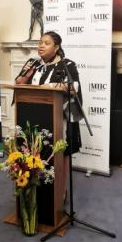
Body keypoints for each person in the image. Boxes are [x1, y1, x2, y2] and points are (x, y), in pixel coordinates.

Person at [15, 31, 83, 190]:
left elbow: (73, 88)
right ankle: (34, 184)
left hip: (58, 118)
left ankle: (60, 189)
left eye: (46, 43)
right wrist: (25, 76)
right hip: (32, 116)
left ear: (57, 47)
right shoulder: (33, 63)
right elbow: (18, 83)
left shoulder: (67, 64)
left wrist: (50, 86)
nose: (41, 46)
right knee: (33, 149)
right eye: (40, 42)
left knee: (60, 153)